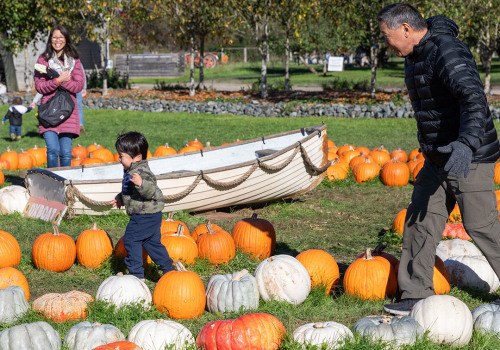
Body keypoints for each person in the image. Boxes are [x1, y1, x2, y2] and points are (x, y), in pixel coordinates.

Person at [378, 3, 500, 316]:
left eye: (388, 36)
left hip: (468, 155)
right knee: (420, 219)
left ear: (406, 29)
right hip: (437, 158)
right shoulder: (414, 55)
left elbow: (473, 100)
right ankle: (416, 293)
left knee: (481, 225)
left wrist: (466, 144)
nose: (386, 44)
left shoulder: (446, 51)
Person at [110, 131, 175, 280]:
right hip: (152, 215)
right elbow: (130, 191)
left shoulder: (142, 172)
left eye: (122, 156)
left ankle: (136, 275)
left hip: (145, 215)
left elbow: (151, 191)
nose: (119, 159)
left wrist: (141, 184)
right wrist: (120, 198)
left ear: (137, 157)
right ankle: (169, 270)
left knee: (131, 239)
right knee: (152, 244)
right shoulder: (130, 169)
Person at [34, 25, 84, 168]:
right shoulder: (43, 60)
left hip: (68, 111)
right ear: (50, 40)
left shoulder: (74, 60)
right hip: (49, 111)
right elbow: (40, 86)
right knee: (53, 150)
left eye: (61, 37)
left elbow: (78, 85)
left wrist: (63, 81)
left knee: (66, 153)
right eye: (54, 37)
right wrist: (57, 81)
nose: (57, 40)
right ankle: (52, 182)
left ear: (66, 39)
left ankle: (64, 185)